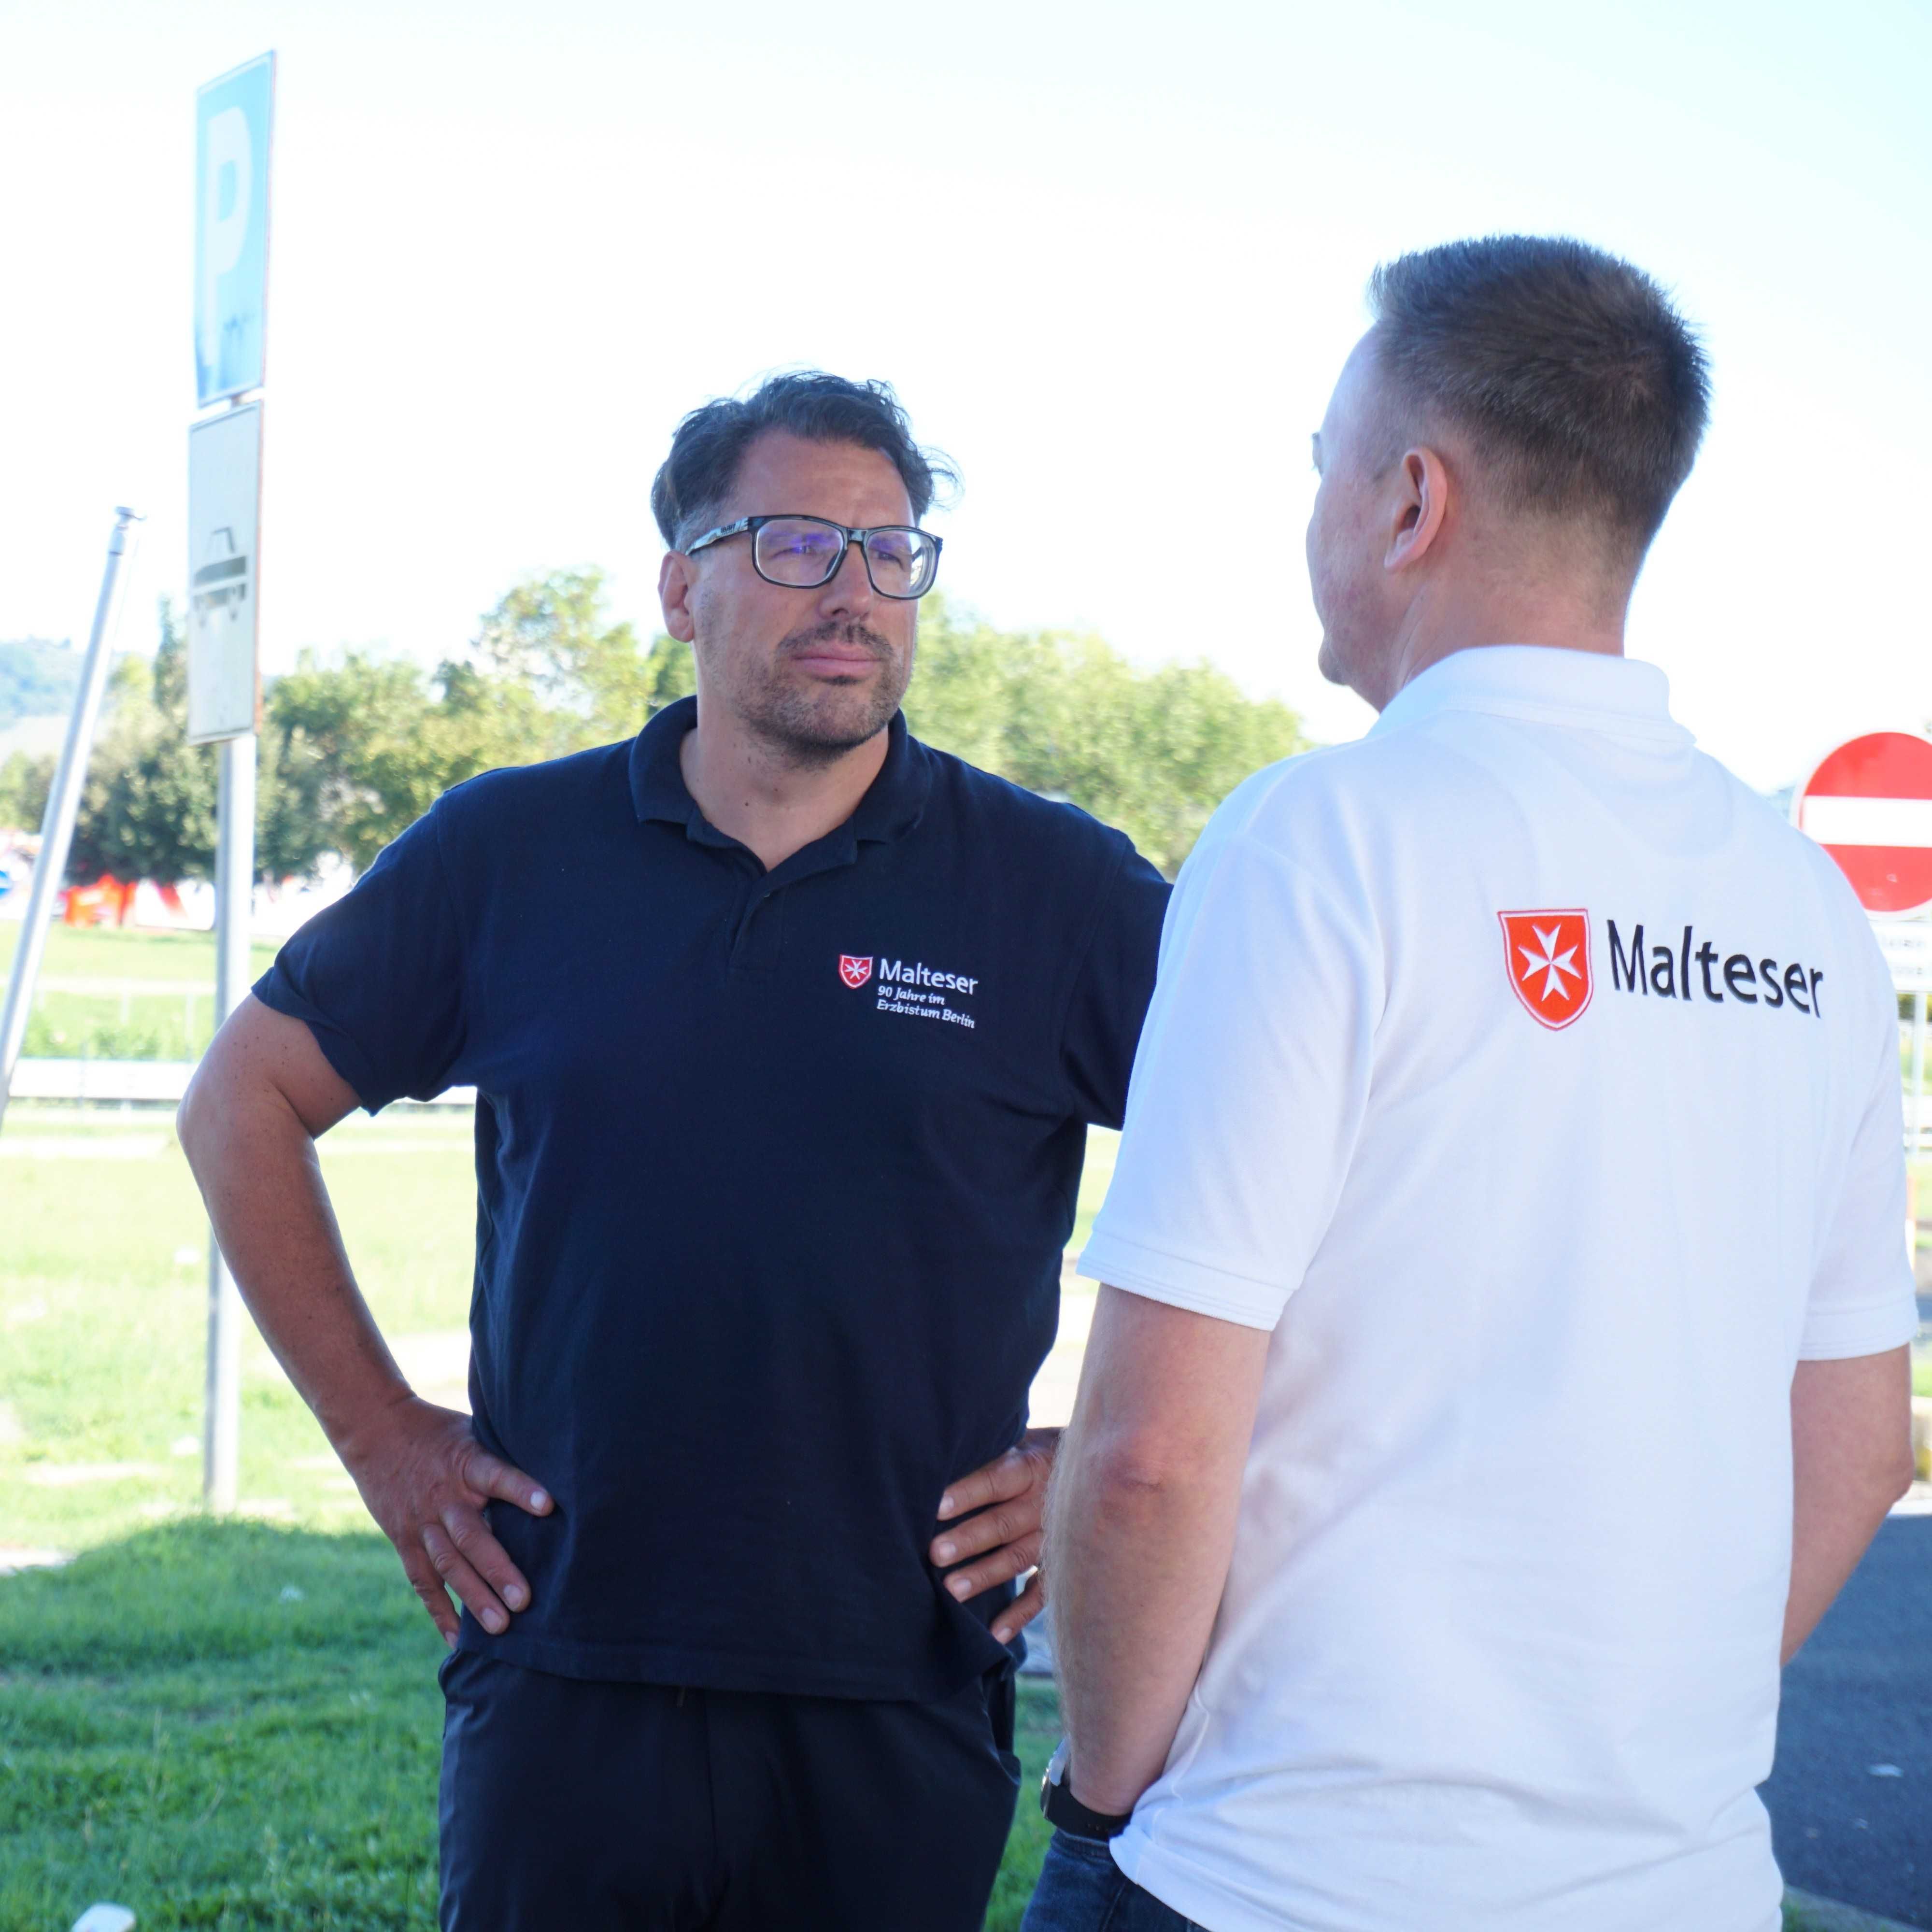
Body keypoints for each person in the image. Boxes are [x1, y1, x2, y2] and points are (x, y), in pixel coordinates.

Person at [176, 371, 1169, 1931]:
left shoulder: (1055, 891)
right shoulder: (511, 853)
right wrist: (385, 1439)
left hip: (894, 1683)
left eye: (892, 554)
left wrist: (1094, 1456)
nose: (853, 594)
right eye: (793, 544)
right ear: (679, 584)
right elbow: (239, 1101)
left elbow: (1295, 1176)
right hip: (568, 1665)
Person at [1024, 237, 1917, 1932]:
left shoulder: (1328, 839)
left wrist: (1110, 1794)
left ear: (1409, 503)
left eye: (1322, 468)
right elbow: (1864, 1441)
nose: (1313, 518)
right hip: (1684, 1884)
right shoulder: (1801, 905)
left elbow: (1146, 1451)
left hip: (1285, 1878)